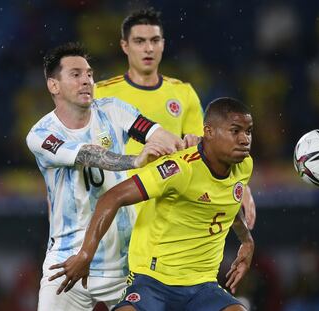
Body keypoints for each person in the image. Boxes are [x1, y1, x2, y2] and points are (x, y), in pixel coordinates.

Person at [50, 97, 255, 311]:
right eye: (235, 131)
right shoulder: (179, 169)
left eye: (248, 131)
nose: (244, 139)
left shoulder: (244, 166)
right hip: (153, 281)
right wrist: (85, 254)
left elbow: (228, 203)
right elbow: (112, 197)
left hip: (202, 285)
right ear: (209, 132)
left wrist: (247, 241)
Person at [26, 42, 184, 311]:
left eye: (89, 74)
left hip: (125, 264)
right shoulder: (41, 135)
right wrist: (134, 160)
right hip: (68, 262)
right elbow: (87, 155)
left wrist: (181, 143)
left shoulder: (113, 110)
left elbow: (156, 134)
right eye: (75, 74)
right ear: (54, 85)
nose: (87, 80)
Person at [94, 8, 256, 229]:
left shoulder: (183, 92)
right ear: (125, 46)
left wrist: (241, 187)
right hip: (116, 208)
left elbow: (211, 150)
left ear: (163, 43)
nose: (148, 48)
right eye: (139, 41)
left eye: (154, 40)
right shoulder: (101, 94)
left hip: (165, 212)